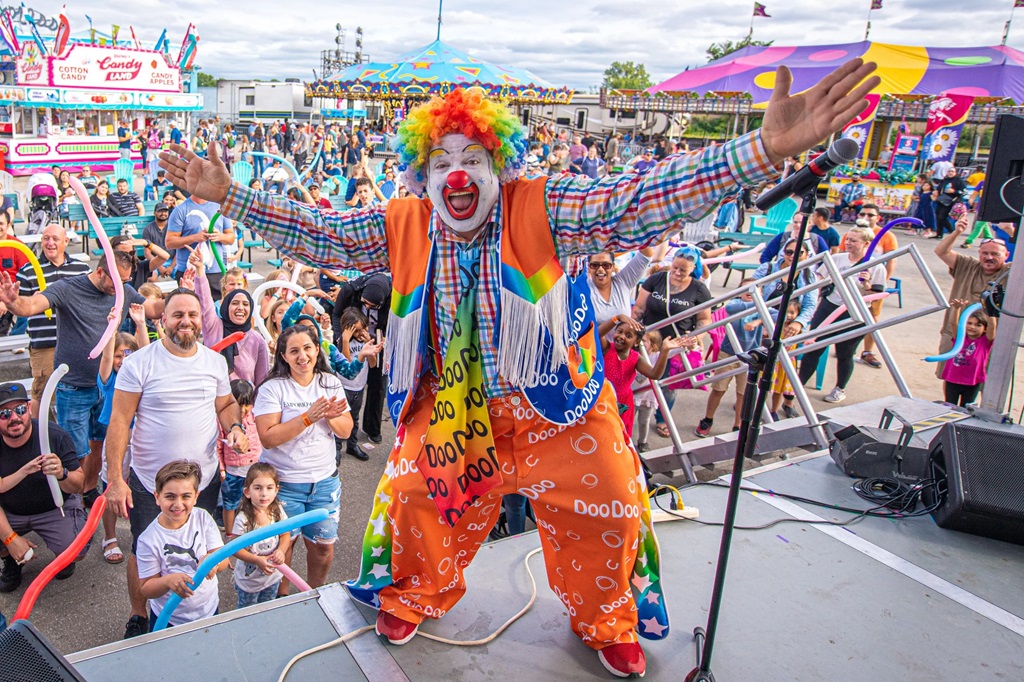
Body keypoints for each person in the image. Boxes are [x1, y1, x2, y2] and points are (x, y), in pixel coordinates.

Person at [159, 60, 880, 677]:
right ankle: (411, 594)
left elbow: (637, 203)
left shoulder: (548, 206)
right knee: (410, 498)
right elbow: (321, 233)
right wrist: (229, 196)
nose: (457, 172)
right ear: (423, 173)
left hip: (556, 408)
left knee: (617, 503)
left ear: (500, 165)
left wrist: (760, 150)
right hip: (454, 410)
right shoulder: (406, 222)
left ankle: (608, 618)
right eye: (441, 161)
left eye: (472, 158)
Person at [104, 288, 248, 639]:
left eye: (193, 315)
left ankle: (195, 607)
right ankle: (141, 615)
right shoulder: (140, 362)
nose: (186, 321)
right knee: (143, 547)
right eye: (178, 314)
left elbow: (225, 403)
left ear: (202, 321)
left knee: (197, 541)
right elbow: (120, 420)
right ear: (162, 320)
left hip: (203, 479)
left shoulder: (214, 361)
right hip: (149, 481)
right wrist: (115, 479)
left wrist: (236, 426)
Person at [0, 250, 157, 509]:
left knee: (98, 446)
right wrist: (14, 302)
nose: (122, 287)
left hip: (106, 389)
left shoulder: (122, 290)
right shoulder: (67, 288)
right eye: (117, 281)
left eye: (126, 281)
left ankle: (87, 492)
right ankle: (72, 499)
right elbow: (31, 306)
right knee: (75, 451)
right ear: (100, 272)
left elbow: (150, 308)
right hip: (73, 387)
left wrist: (183, 297)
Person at [253, 324, 351, 593]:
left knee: (322, 547)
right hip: (284, 484)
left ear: (317, 350)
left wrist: (330, 416)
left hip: (324, 485)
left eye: (307, 348)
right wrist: (309, 417)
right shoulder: (273, 389)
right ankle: (283, 596)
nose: (302, 356)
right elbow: (268, 437)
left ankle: (313, 594)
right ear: (283, 356)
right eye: (294, 351)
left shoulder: (330, 382)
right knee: (284, 547)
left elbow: (347, 429)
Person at [0, 382, 85, 592]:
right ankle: (9, 557)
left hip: (53, 508)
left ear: (29, 409)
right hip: (9, 511)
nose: (14, 418)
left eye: (20, 409)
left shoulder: (54, 435)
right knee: (6, 540)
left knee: (75, 549)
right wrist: (10, 539)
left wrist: (62, 473)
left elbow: (79, 484)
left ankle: (63, 557)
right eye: (4, 414)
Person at [797, 226, 888, 404]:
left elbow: (877, 296)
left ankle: (840, 388)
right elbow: (818, 280)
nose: (848, 243)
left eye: (853, 240)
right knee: (813, 347)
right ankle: (796, 386)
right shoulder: (836, 259)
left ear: (866, 244)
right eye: (847, 239)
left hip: (856, 312)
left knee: (845, 352)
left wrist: (867, 285)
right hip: (830, 306)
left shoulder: (876, 266)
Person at [136, 460, 228, 629]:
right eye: (170, 496)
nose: (178, 504)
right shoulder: (148, 539)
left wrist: (212, 560)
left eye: (186, 496)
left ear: (196, 497)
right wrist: (167, 581)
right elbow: (147, 588)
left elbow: (224, 561)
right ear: (157, 497)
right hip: (169, 618)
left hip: (208, 609)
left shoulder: (203, 518)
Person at [632, 247, 712, 438]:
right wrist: (632, 331)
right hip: (649, 341)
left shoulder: (699, 289)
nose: (677, 273)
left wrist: (696, 337)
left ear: (693, 268)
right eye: (675, 267)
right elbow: (640, 307)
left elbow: (705, 319)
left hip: (675, 344)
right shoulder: (657, 279)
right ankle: (631, 415)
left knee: (667, 385)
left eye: (683, 270)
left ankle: (662, 418)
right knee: (639, 381)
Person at [16, 224, 91, 418]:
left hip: (78, 343)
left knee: (79, 393)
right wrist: (31, 300)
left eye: (55, 239)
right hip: (45, 343)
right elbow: (20, 310)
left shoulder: (81, 269)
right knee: (42, 396)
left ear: (66, 241)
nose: (50, 243)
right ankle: (40, 440)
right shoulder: (28, 271)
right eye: (46, 238)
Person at [97, 309, 149, 565]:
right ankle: (109, 536)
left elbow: (146, 353)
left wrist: (140, 324)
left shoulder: (140, 374)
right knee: (111, 486)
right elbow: (107, 357)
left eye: (128, 353)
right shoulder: (109, 379)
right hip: (117, 439)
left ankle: (144, 531)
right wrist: (112, 330)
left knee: (140, 485)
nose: (123, 359)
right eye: (119, 354)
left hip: (140, 437)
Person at [933, 217, 1011, 380]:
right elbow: (941, 252)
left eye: (995, 254)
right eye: (985, 253)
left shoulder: (1010, 271)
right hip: (956, 331)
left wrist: (1011, 232)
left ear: (1006, 255)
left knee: (987, 379)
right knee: (950, 376)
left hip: (989, 337)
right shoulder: (967, 265)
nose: (989, 257)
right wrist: (957, 232)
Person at [184, 248, 268, 384]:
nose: (240, 307)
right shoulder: (214, 327)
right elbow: (205, 302)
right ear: (226, 306)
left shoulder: (257, 340)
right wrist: (199, 270)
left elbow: (262, 381)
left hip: (245, 403)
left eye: (245, 304)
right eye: (235, 303)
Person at [598, 316, 684, 440]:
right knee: (600, 431)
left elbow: (655, 374)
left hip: (623, 403)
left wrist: (664, 351)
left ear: (636, 342)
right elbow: (597, 333)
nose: (622, 336)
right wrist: (616, 319)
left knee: (618, 435)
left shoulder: (635, 358)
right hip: (602, 398)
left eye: (628, 336)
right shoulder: (607, 348)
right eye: (619, 331)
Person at [695, 279, 761, 437]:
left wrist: (758, 321)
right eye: (746, 289)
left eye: (755, 290)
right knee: (718, 389)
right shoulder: (735, 304)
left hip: (751, 356)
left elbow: (777, 315)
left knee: (744, 393)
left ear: (761, 293)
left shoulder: (763, 309)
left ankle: (738, 425)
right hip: (729, 353)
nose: (750, 293)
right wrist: (759, 305)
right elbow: (730, 308)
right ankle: (708, 419)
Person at [838, 203, 898, 368]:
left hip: (874, 283)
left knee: (872, 318)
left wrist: (880, 285)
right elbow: (842, 257)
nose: (865, 217)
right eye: (862, 214)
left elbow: (891, 260)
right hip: (850, 285)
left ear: (878, 217)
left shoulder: (886, 235)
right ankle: (842, 344)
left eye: (870, 215)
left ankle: (867, 351)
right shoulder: (851, 234)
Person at [231, 462, 290, 608]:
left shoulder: (277, 511)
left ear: (276, 490)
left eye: (269, 488)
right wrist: (256, 559)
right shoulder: (243, 519)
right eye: (258, 488)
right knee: (247, 612)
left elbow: (285, 534)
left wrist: (281, 550)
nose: (264, 493)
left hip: (273, 577)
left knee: (267, 608)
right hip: (249, 581)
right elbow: (234, 548)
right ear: (247, 492)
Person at [335, 307, 384, 462]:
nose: (360, 333)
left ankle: (352, 445)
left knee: (355, 418)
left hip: (359, 386)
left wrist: (371, 351)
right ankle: (336, 449)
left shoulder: (367, 340)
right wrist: (344, 340)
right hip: (344, 387)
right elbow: (348, 365)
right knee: (340, 418)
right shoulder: (341, 342)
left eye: (363, 328)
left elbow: (373, 364)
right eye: (355, 331)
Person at [165, 194, 235, 298]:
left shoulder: (220, 208)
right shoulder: (181, 210)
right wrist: (195, 237)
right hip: (189, 272)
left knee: (217, 309)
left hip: (216, 271)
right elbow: (169, 242)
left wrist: (219, 236)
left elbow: (231, 238)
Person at [219, 379, 262, 538]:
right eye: (238, 405)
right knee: (230, 504)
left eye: (247, 404)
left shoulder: (256, 416)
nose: (243, 409)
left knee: (256, 502)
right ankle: (230, 535)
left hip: (254, 469)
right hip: (233, 471)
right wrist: (221, 468)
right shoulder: (224, 421)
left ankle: (253, 532)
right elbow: (217, 445)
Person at [941, 299, 996, 407]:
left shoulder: (985, 341)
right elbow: (953, 323)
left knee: (966, 410)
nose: (972, 327)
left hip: (972, 382)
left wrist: (989, 309)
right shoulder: (960, 337)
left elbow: (992, 326)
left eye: (978, 325)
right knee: (949, 407)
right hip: (953, 379)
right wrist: (956, 308)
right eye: (969, 323)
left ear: (985, 329)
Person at [933, 166, 965, 239]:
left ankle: (952, 232)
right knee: (938, 217)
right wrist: (936, 191)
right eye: (949, 171)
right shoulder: (945, 180)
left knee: (942, 217)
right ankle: (939, 234)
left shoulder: (959, 181)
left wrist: (955, 191)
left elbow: (964, 192)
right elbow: (940, 188)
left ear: (955, 173)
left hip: (951, 201)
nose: (950, 173)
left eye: (952, 171)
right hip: (941, 200)